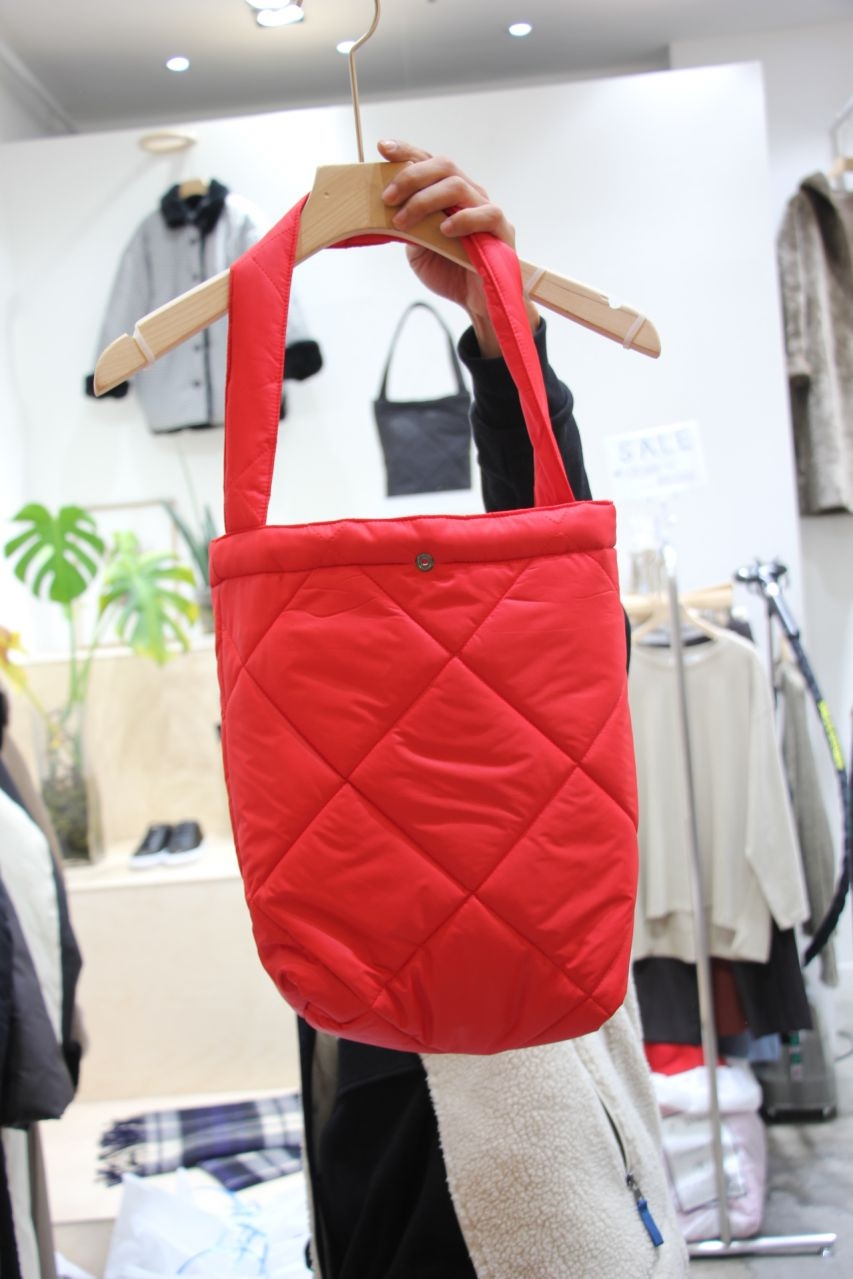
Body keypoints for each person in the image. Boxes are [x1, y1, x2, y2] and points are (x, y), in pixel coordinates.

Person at [297, 140, 689, 1279]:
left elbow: (550, 558)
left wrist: (499, 334)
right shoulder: (318, 786)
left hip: (521, 1171)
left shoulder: (536, 737)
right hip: (391, 1147)